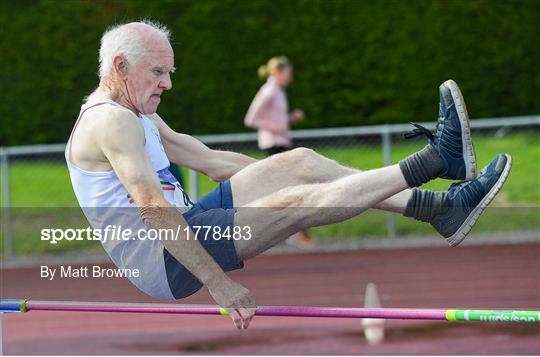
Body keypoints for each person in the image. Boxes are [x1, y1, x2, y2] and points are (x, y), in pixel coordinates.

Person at [66, 21, 512, 330]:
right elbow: (152, 206)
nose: (167, 83)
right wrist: (217, 283)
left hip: (188, 221)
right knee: (296, 203)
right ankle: (435, 160)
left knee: (300, 163)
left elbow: (216, 164)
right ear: (121, 67)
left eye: (169, 72)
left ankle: (440, 208)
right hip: (163, 258)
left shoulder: (139, 115)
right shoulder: (110, 121)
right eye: (158, 72)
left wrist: (287, 175)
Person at [244, 56, 314, 247]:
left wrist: (288, 119)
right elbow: (251, 119)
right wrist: (277, 127)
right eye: (288, 73)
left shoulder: (277, 91)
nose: (290, 77)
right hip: (273, 144)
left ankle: (287, 231)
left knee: (288, 186)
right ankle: (289, 232)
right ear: (278, 72)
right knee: (289, 186)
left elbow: (276, 120)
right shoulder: (269, 91)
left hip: (280, 142)